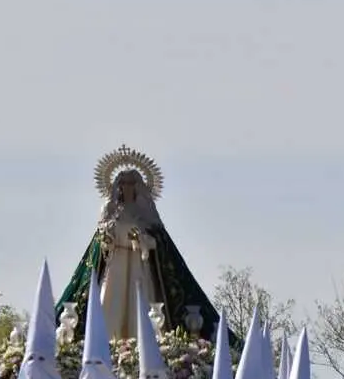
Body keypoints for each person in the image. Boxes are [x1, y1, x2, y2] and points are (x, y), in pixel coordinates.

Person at [55, 146, 222, 343]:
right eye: (123, 182)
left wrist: (142, 239)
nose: (127, 187)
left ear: (138, 185)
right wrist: (108, 239)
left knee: (140, 301)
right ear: (116, 185)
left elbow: (159, 241)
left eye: (131, 183)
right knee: (110, 302)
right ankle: (104, 343)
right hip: (115, 264)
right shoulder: (109, 210)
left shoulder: (146, 211)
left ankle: (143, 342)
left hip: (138, 264)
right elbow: (100, 244)